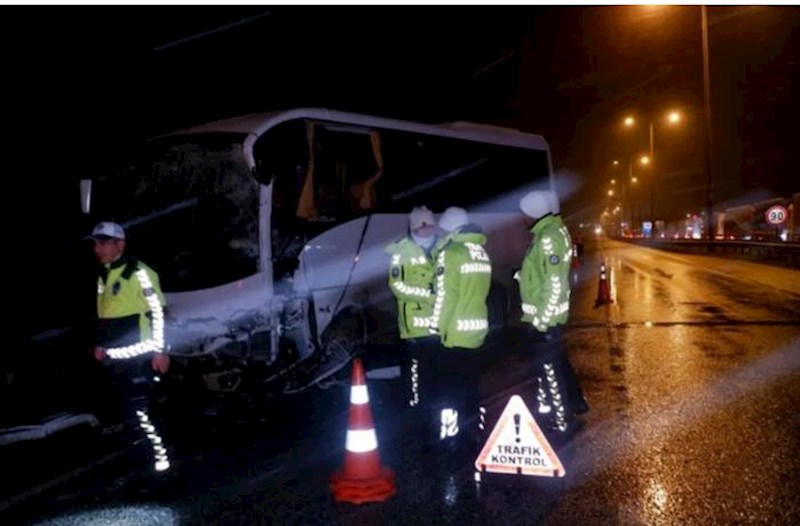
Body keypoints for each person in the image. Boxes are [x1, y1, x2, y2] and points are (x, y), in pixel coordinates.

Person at [90, 221, 172, 473]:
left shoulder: (139, 272)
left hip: (141, 353)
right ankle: (144, 463)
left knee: (142, 412)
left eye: (103, 243)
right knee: (130, 412)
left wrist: (160, 350)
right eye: (95, 243)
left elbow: (157, 312)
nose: (97, 248)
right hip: (117, 357)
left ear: (120, 245)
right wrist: (102, 344)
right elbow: (106, 313)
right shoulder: (104, 274)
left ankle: (161, 464)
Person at [517, 190, 589, 439]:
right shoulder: (548, 234)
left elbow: (554, 285)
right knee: (556, 365)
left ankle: (562, 422)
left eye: (524, 213)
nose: (521, 218)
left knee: (551, 372)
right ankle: (575, 403)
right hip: (545, 318)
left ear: (534, 213)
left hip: (545, 320)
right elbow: (544, 276)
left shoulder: (547, 239)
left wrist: (541, 322)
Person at [428, 206, 492, 454]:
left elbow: (446, 297)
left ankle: (450, 437)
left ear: (451, 228)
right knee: (471, 387)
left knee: (450, 390)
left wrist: (435, 327)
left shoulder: (451, 253)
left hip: (454, 333)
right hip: (475, 330)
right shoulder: (479, 252)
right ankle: (474, 432)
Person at [384, 206, 439, 412]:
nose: (427, 230)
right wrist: (429, 297)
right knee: (415, 371)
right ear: (414, 227)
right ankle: (414, 408)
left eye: (430, 225)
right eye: (422, 226)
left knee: (435, 368)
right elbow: (397, 285)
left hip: (438, 323)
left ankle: (433, 403)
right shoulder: (401, 251)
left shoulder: (440, 247)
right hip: (414, 325)